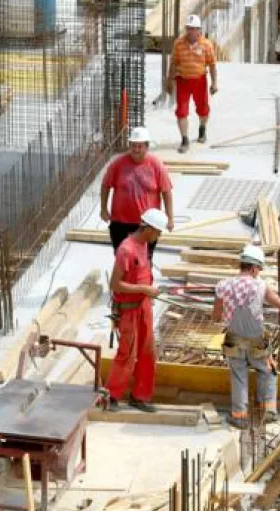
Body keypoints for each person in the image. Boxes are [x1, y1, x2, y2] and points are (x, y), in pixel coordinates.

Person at [212, 245, 280, 429]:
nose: (258, 273)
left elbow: (216, 316)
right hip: (257, 340)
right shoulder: (261, 286)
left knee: (238, 375)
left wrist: (225, 315)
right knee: (267, 371)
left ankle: (240, 416)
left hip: (233, 339)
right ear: (253, 267)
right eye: (258, 269)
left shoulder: (223, 286)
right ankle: (268, 411)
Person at [106, 209, 167, 413]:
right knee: (127, 354)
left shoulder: (145, 245)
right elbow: (115, 284)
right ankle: (111, 396)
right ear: (148, 228)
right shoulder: (126, 249)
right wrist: (144, 289)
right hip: (129, 310)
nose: (158, 236)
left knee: (147, 353)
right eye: (157, 232)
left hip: (144, 307)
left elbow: (142, 274)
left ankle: (140, 396)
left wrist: (149, 291)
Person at [100, 126, 174, 262]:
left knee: (144, 262)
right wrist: (103, 209)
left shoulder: (156, 165)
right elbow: (105, 186)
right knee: (122, 261)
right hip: (120, 224)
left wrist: (170, 218)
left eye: (140, 146)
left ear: (147, 146)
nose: (136, 150)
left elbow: (166, 192)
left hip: (147, 225)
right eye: (133, 146)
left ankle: (143, 282)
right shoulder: (117, 164)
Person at [167, 14, 218, 151]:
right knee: (181, 111)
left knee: (203, 108)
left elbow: (212, 64)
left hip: (199, 81)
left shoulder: (206, 45)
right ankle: (184, 139)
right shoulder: (178, 44)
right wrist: (169, 81)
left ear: (198, 30)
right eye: (188, 28)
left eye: (193, 29)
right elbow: (173, 63)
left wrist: (214, 83)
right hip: (183, 80)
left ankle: (202, 129)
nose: (190, 31)